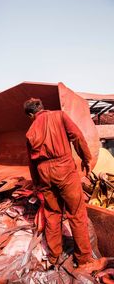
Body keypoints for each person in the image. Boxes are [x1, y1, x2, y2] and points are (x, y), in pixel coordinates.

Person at [24, 98, 107, 273]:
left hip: (44, 174)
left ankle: (54, 257)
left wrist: (37, 184)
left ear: (31, 115)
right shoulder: (60, 116)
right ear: (42, 108)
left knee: (52, 214)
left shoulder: (30, 131)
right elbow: (76, 136)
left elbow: (31, 163)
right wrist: (86, 159)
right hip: (64, 169)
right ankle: (83, 259)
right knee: (76, 214)